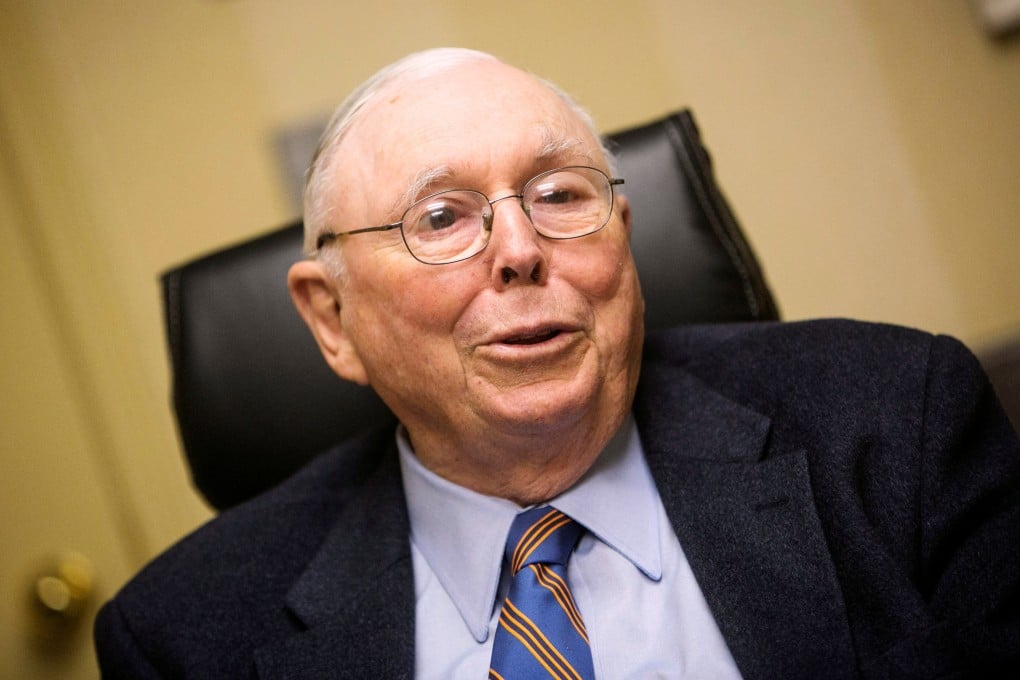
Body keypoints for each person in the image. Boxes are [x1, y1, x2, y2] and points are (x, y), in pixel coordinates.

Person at [94, 48, 1020, 679]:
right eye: (441, 218)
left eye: (561, 195)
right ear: (332, 319)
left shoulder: (900, 420)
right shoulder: (183, 638)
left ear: (624, 238)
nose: (521, 250)